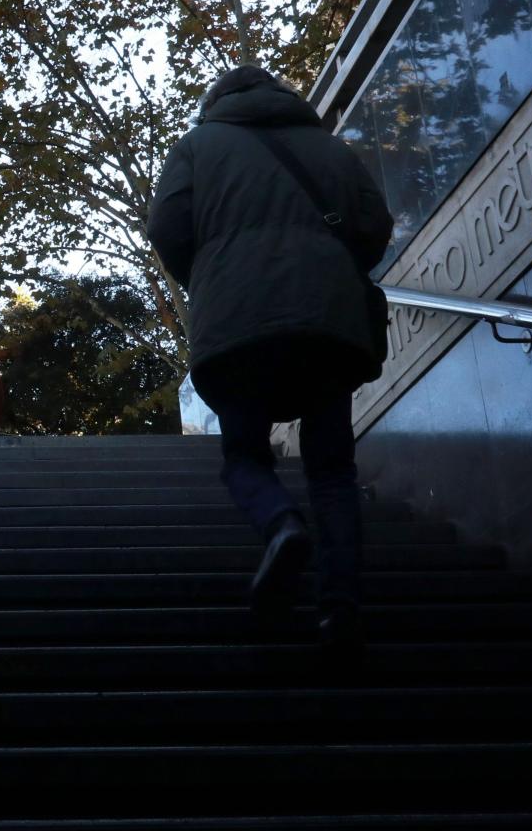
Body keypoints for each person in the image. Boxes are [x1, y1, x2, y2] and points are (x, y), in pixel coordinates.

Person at [146, 65, 394, 662]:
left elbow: (166, 227)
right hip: (327, 324)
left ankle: (280, 523)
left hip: (237, 325)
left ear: (215, 102)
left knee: (245, 456)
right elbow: (375, 225)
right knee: (332, 471)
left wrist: (206, 278)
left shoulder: (197, 147)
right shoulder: (329, 148)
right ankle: (340, 609)